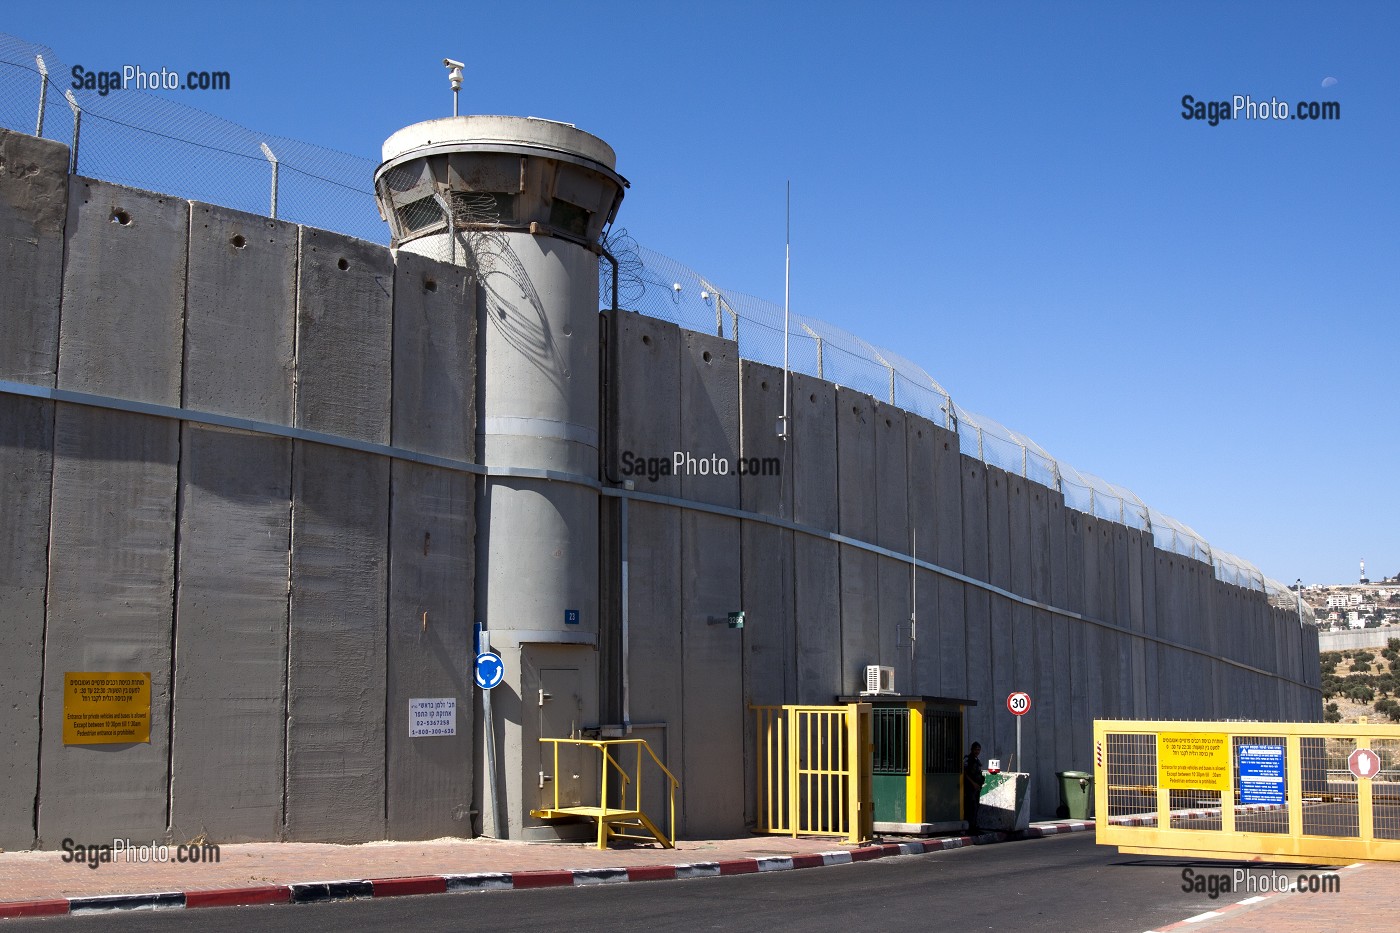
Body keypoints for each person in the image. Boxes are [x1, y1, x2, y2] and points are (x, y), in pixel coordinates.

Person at [963, 741, 986, 835]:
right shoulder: (968, 759)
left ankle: (974, 827)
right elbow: (965, 773)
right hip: (970, 788)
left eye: (979, 750)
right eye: (976, 749)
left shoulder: (976, 760)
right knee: (970, 808)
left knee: (975, 808)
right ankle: (969, 829)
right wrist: (973, 783)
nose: (977, 751)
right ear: (972, 749)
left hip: (976, 788)